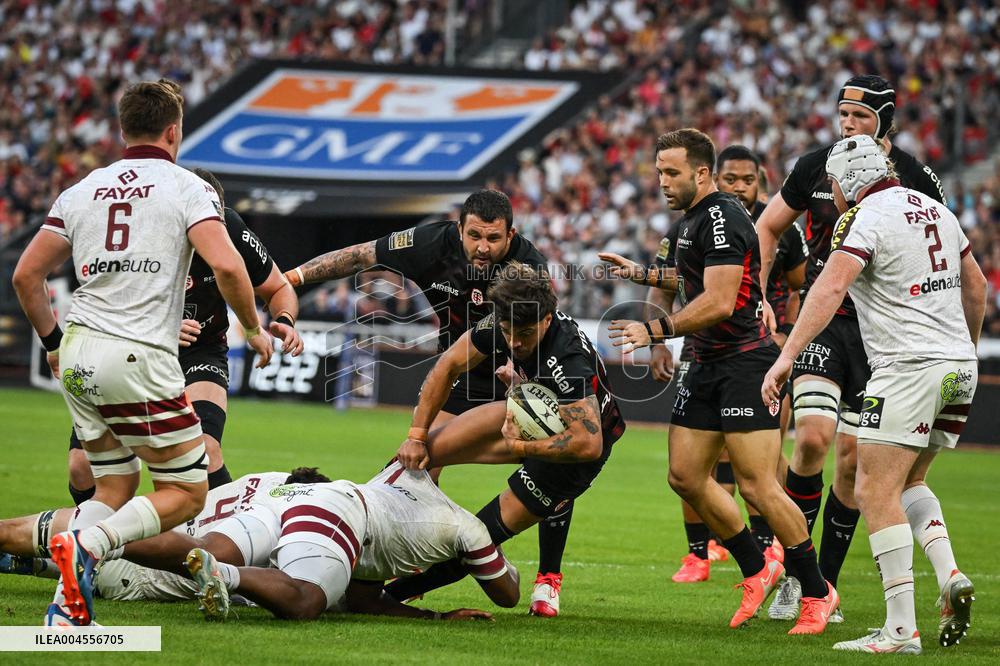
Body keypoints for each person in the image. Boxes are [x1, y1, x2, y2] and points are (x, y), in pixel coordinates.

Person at [11, 78, 273, 626]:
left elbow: (26, 276)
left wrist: (54, 345)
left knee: (113, 485)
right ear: (174, 131)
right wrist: (253, 328)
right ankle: (89, 546)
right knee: (187, 491)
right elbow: (228, 266)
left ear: (123, 128)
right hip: (137, 356)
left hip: (79, 351)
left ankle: (66, 607)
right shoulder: (187, 188)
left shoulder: (81, 189)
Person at [284, 192, 574, 616]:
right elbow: (361, 255)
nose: (482, 247)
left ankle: (548, 578)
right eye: (474, 235)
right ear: (459, 229)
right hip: (459, 373)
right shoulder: (428, 244)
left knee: (556, 465)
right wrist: (289, 280)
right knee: (411, 467)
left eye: (493, 238)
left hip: (518, 376)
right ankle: (373, 579)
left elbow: (542, 333)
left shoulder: (529, 269)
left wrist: (521, 376)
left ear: (511, 235)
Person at [601, 128, 836, 634]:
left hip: (744, 364)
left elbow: (721, 300)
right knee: (685, 476)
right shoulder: (691, 220)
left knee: (758, 486)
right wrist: (643, 275)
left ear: (702, 173)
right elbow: (693, 279)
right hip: (706, 363)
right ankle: (757, 568)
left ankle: (817, 591)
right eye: (659, 172)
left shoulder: (723, 216)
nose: (662, 181)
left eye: (672, 172)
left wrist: (654, 331)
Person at [762, 135, 984, 655]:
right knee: (910, 481)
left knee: (873, 490)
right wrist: (965, 352)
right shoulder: (937, 210)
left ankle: (900, 631)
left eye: (834, 184)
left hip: (907, 367)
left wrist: (787, 355)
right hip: (958, 367)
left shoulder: (865, 217)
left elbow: (830, 287)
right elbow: (976, 287)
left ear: (849, 181)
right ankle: (949, 574)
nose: (832, 193)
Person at [756, 75, 946, 622]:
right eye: (842, 114)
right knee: (812, 439)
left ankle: (825, 586)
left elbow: (943, 249)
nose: (847, 124)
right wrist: (763, 294)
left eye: (859, 116)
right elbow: (767, 228)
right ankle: (798, 578)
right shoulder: (815, 165)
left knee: (852, 462)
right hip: (824, 322)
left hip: (880, 334)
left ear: (885, 120)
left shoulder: (914, 176)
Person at [381, 263, 626, 613]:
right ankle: (356, 551)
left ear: (547, 319)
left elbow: (588, 443)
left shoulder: (567, 357)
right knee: (416, 455)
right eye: (508, 331)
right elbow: (448, 364)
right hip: (530, 414)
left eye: (524, 333)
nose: (514, 342)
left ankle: (390, 596)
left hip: (572, 458)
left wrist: (520, 446)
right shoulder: (502, 322)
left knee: (473, 544)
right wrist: (415, 435)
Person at [65, 168, 304, 505]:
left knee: (205, 451)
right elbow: (97, 304)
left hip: (200, 352)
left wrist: (284, 320)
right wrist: (156, 326)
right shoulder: (136, 231)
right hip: (130, 348)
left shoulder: (230, 227)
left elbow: (279, 287)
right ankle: (104, 537)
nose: (210, 230)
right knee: (81, 467)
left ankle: (225, 532)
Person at [653, 145, 804, 584]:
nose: (739, 186)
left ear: (761, 182)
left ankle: (772, 549)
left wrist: (786, 332)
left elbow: (798, 285)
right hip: (701, 349)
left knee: (758, 467)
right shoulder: (690, 222)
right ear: (715, 177)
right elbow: (669, 283)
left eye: (747, 180)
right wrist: (657, 339)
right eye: (731, 179)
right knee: (690, 468)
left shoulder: (776, 227)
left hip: (753, 350)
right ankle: (700, 552)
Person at [0, 469, 306, 600]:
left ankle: (34, 563)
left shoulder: (269, 480)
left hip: (128, 520)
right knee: (92, 560)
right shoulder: (285, 526)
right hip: (139, 571)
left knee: (12, 532)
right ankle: (38, 563)